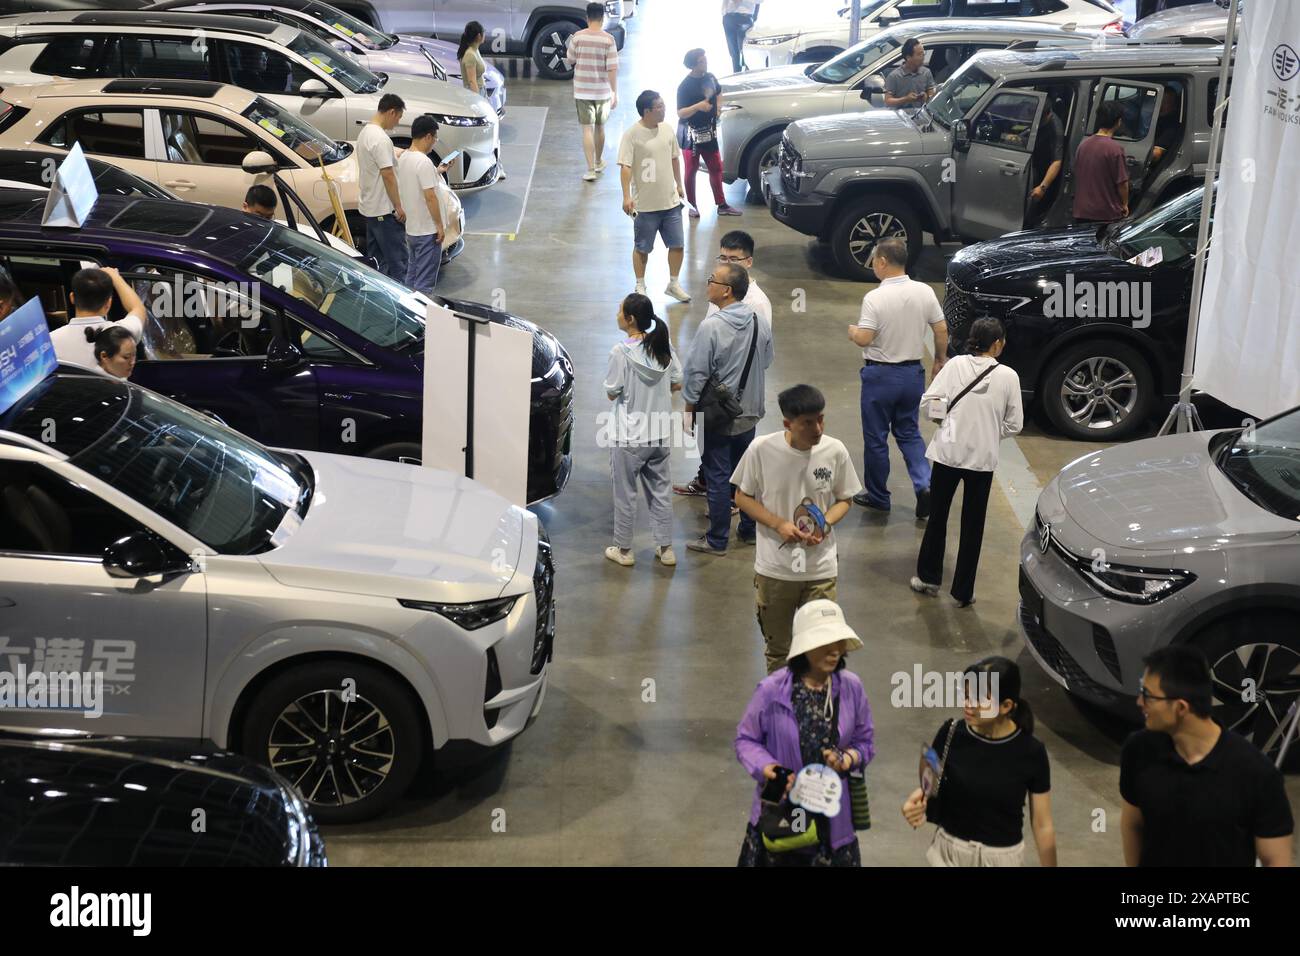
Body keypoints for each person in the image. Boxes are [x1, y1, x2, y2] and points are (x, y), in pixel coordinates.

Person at [1120, 645, 1294, 867]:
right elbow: (1133, 824)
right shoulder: (1139, 750)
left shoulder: (1257, 773)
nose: (1140, 703)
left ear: (1181, 708)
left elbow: (1275, 859)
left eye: (1148, 696)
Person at [735, 599, 874, 867]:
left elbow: (865, 741)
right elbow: (745, 740)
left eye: (838, 642)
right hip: (784, 817)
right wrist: (768, 767)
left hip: (833, 822)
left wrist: (848, 758)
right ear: (805, 647)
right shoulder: (771, 690)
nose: (834, 651)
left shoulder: (852, 688)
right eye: (825, 643)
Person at [733, 385, 861, 673]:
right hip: (775, 570)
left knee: (822, 650)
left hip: (821, 570)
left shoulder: (834, 450)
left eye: (821, 419)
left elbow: (845, 499)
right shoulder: (761, 450)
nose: (817, 428)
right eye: (807, 422)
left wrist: (825, 522)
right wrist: (778, 524)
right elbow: (742, 497)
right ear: (788, 424)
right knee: (779, 652)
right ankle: (782, 711)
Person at [901, 657, 1057, 867]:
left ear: (1006, 706)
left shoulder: (1031, 752)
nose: (968, 704)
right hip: (947, 855)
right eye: (966, 695)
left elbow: (1042, 823)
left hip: (1001, 860)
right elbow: (931, 781)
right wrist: (918, 798)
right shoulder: (949, 733)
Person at [911, 317, 1022, 607]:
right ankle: (962, 591)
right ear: (997, 344)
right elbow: (1015, 424)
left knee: (938, 517)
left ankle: (928, 578)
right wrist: (988, 432)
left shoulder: (955, 365)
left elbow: (929, 403)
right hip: (982, 461)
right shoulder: (1009, 376)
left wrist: (944, 419)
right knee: (973, 526)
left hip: (948, 452)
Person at [847, 237, 947, 518]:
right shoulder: (924, 291)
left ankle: (879, 496)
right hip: (912, 375)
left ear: (882, 262)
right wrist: (940, 359)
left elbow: (865, 337)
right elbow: (940, 329)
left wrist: (853, 332)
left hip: (880, 376)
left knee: (877, 438)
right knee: (909, 432)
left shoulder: (875, 297)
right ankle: (924, 485)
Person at [682, 262, 773, 555]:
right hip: (749, 412)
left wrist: (689, 409)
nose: (707, 283)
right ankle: (748, 530)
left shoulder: (712, 326)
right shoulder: (760, 321)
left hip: (718, 416)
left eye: (712, 280)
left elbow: (696, 372)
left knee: (718, 475)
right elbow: (767, 359)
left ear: (726, 292)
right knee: (745, 473)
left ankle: (717, 539)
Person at [674, 230, 772, 498]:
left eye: (734, 259)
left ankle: (725, 509)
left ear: (749, 262)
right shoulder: (719, 297)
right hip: (717, 398)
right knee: (713, 456)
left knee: (727, 464)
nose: (727, 264)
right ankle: (707, 482)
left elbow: (761, 357)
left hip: (731, 401)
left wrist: (691, 402)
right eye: (723, 258)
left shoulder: (757, 306)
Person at [603, 293, 681, 568]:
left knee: (625, 494)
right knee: (661, 491)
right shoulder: (662, 344)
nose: (617, 315)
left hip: (629, 436)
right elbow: (677, 381)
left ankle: (624, 550)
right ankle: (666, 548)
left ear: (630, 319)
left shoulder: (620, 352)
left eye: (619, 311)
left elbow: (613, 392)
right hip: (659, 432)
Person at [618, 90, 689, 302]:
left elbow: (675, 158)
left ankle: (674, 283)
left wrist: (679, 184)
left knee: (677, 244)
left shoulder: (667, 130)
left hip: (670, 203)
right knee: (642, 247)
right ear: (647, 111)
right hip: (645, 206)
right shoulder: (632, 134)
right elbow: (626, 167)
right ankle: (640, 284)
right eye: (659, 106)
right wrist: (626, 196)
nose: (664, 109)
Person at [677, 49, 740, 219]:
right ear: (693, 65)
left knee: (716, 167)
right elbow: (681, 113)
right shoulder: (684, 86)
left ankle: (721, 204)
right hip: (690, 134)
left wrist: (718, 107)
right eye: (701, 61)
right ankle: (692, 205)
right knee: (691, 170)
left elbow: (718, 93)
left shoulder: (710, 77)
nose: (705, 63)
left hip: (708, 131)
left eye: (705, 60)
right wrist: (698, 106)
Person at [564, 2, 619, 182]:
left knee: (586, 129)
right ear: (602, 19)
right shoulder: (609, 39)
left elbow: (570, 59)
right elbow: (612, 69)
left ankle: (590, 170)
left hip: (582, 91)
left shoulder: (577, 37)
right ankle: (598, 161)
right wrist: (614, 92)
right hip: (602, 92)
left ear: (587, 18)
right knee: (600, 127)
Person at [49, 267, 145, 369]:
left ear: (72, 298)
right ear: (108, 303)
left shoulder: (50, 341)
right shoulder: (124, 335)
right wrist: (116, 277)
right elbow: (138, 308)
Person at [397, 114, 450, 295]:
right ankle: (422, 319)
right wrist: (439, 226)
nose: (434, 142)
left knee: (411, 277)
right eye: (435, 138)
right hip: (427, 232)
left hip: (412, 230)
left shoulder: (403, 157)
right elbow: (430, 197)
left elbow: (414, 183)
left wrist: (437, 171)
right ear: (428, 136)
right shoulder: (423, 162)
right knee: (424, 285)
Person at [357, 93, 408, 281]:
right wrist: (398, 207)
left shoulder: (365, 133)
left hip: (371, 210)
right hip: (384, 212)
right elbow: (388, 175)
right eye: (399, 117)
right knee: (398, 262)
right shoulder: (381, 139)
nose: (397, 123)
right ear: (392, 112)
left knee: (378, 262)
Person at [458, 21, 506, 182]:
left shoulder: (474, 51)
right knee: (490, 130)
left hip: (481, 94)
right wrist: (479, 104)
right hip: (476, 97)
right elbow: (472, 81)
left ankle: (496, 163)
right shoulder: (470, 55)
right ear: (479, 36)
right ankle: (494, 165)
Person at [1072, 101, 1129, 225]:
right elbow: (1122, 184)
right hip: (1105, 215)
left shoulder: (1083, 145)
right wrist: (1125, 204)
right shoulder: (1115, 149)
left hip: (1081, 211)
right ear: (1118, 121)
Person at [1026, 96, 1064, 226]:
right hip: (1036, 166)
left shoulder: (1055, 128)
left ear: (1048, 114)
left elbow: (1057, 161)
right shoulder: (1041, 119)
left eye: (1040, 119)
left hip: (1046, 174)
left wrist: (1042, 187)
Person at [883, 38, 935, 116]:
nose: (923, 57)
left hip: (923, 116)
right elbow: (888, 101)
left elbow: (932, 96)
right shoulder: (894, 76)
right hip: (901, 117)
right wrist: (906, 99)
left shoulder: (926, 72)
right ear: (908, 57)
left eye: (923, 53)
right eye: (919, 54)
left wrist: (926, 97)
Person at [1149, 84, 1183, 167]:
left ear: (1174, 106)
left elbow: (1156, 154)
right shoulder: (1156, 118)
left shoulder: (1171, 126)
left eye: (1165, 102)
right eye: (1158, 101)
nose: (1160, 105)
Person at [721, 0, 759, 74]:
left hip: (744, 17)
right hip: (729, 17)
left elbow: (759, 2)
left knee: (744, 50)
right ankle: (737, 77)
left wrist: (754, 17)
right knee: (734, 53)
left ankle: (748, 77)